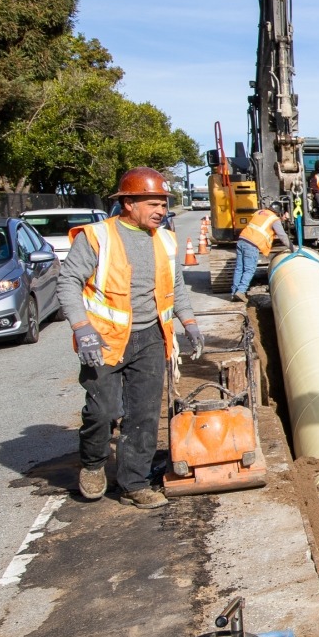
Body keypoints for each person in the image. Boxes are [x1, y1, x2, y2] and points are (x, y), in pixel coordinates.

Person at [58, 168, 203, 509]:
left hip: (151, 337)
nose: (161, 211)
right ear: (127, 203)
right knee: (103, 410)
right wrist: (82, 328)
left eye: (164, 204)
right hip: (104, 339)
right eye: (153, 203)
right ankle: (94, 464)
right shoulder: (97, 237)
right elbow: (68, 283)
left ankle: (133, 484)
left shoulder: (165, 239)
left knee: (144, 413)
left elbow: (176, 287)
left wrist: (190, 322)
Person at [231, 201, 292, 301]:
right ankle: (241, 291)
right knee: (249, 269)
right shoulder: (274, 219)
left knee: (239, 268)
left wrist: (282, 219)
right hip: (252, 244)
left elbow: (265, 223)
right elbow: (282, 235)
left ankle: (234, 293)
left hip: (242, 240)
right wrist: (292, 248)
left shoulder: (260, 212)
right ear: (278, 211)